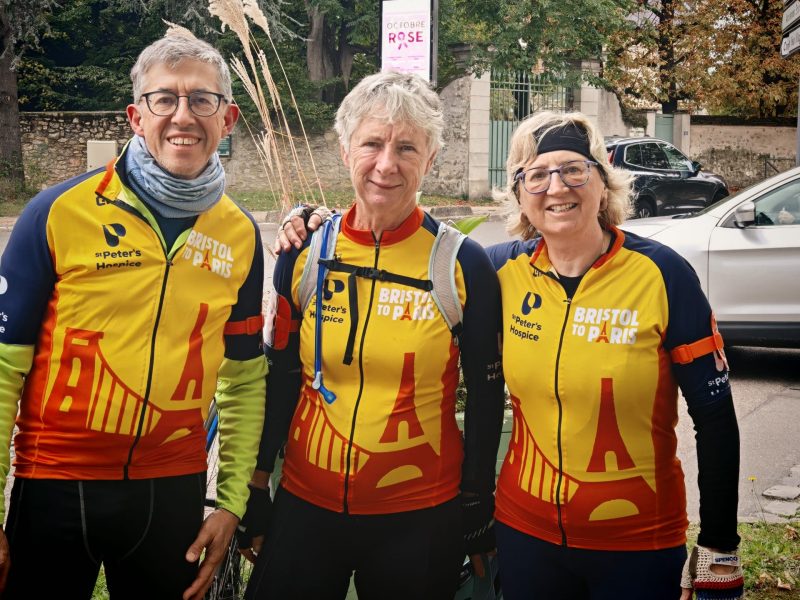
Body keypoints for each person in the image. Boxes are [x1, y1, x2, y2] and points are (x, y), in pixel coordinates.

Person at [0, 30, 267, 600]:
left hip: (169, 489)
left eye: (202, 99)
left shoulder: (240, 233)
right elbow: (3, 370)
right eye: (163, 99)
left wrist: (230, 505)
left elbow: (244, 379)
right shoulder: (54, 212)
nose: (183, 116)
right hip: (54, 481)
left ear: (229, 119)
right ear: (135, 117)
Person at [239, 71, 505, 600]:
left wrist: (475, 505)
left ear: (430, 159)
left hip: (420, 514)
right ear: (345, 151)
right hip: (305, 503)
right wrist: (257, 483)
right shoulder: (305, 251)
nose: (387, 164)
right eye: (372, 144)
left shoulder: (462, 263)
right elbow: (282, 374)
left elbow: (485, 396)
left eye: (407, 147)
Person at [487, 111, 742, 599]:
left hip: (637, 542)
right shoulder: (500, 270)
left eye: (573, 170)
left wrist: (718, 552)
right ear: (519, 193)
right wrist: (312, 224)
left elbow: (714, 419)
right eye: (536, 174)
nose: (557, 187)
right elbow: (412, 249)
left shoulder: (662, 273)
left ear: (602, 180)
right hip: (525, 532)